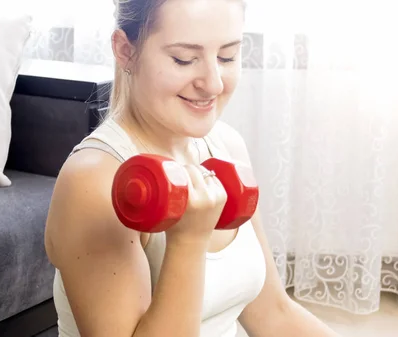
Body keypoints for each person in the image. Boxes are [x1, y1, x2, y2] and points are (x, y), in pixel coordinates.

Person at [44, 0, 341, 336]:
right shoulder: (94, 182)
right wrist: (187, 242)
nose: (213, 83)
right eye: (184, 59)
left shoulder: (226, 145)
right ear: (126, 50)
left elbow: (273, 313)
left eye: (228, 56)